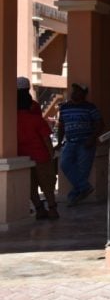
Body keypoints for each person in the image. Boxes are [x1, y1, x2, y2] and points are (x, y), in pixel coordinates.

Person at [17, 77, 59, 220]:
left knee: (31, 186)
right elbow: (46, 138)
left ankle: (39, 210)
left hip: (22, 156)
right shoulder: (36, 115)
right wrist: (51, 152)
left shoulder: (11, 118)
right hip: (40, 154)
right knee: (47, 184)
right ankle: (52, 210)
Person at [58, 82, 104, 206]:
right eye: (73, 90)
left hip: (85, 142)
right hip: (70, 142)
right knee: (64, 164)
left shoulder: (90, 107)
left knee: (83, 170)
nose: (74, 93)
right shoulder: (64, 107)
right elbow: (61, 126)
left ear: (83, 94)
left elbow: (100, 123)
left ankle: (73, 197)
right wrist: (58, 142)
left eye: (77, 91)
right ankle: (84, 188)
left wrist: (92, 138)